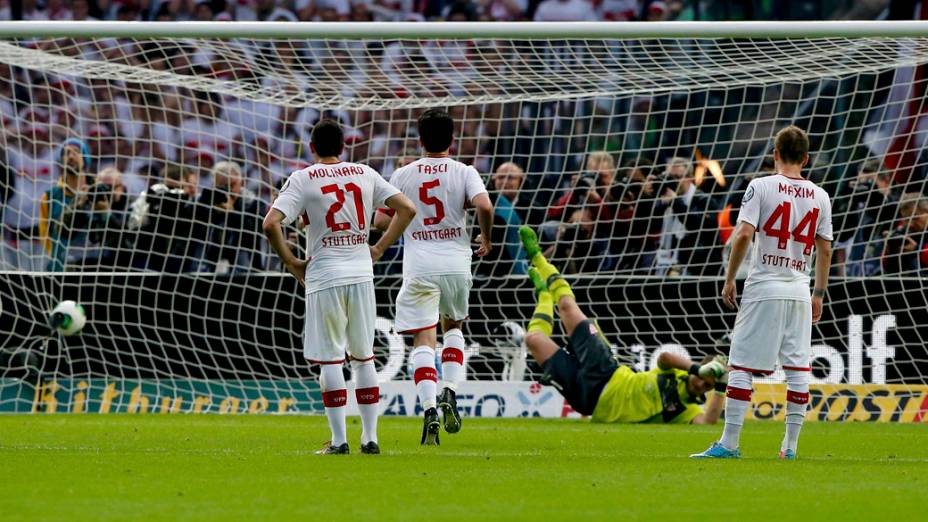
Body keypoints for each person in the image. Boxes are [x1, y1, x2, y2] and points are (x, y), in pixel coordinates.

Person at [263, 119, 416, 455]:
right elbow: (407, 209)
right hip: (361, 272)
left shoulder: (302, 178)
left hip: (324, 273)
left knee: (331, 361)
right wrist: (378, 248)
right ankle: (371, 438)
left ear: (312, 148)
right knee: (364, 357)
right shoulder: (364, 173)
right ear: (344, 146)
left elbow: (270, 223)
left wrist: (291, 262)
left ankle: (339, 441)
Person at [692, 126, 833, 460]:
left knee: (740, 365)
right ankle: (790, 448)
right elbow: (825, 250)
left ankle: (729, 443)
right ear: (806, 158)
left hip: (764, 286)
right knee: (798, 370)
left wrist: (729, 278)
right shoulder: (820, 195)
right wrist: (819, 293)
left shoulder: (761, 186)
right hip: (800, 289)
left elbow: (742, 235)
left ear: (774, 154)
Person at [518, 225, 726, 424]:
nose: (700, 385)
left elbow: (708, 421)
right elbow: (665, 357)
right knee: (566, 306)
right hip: (606, 370)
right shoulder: (674, 373)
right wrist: (699, 369)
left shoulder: (687, 410)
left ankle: (544, 296)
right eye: (701, 378)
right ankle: (538, 257)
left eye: (706, 386)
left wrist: (721, 386)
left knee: (533, 340)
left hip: (586, 400)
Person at [373, 108, 493, 445]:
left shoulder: (403, 174)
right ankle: (450, 391)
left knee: (423, 338)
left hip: (419, 265)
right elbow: (484, 206)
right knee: (453, 327)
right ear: (453, 139)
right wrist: (486, 238)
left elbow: (383, 221)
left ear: (420, 139)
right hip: (456, 263)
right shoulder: (465, 171)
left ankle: (429, 411)